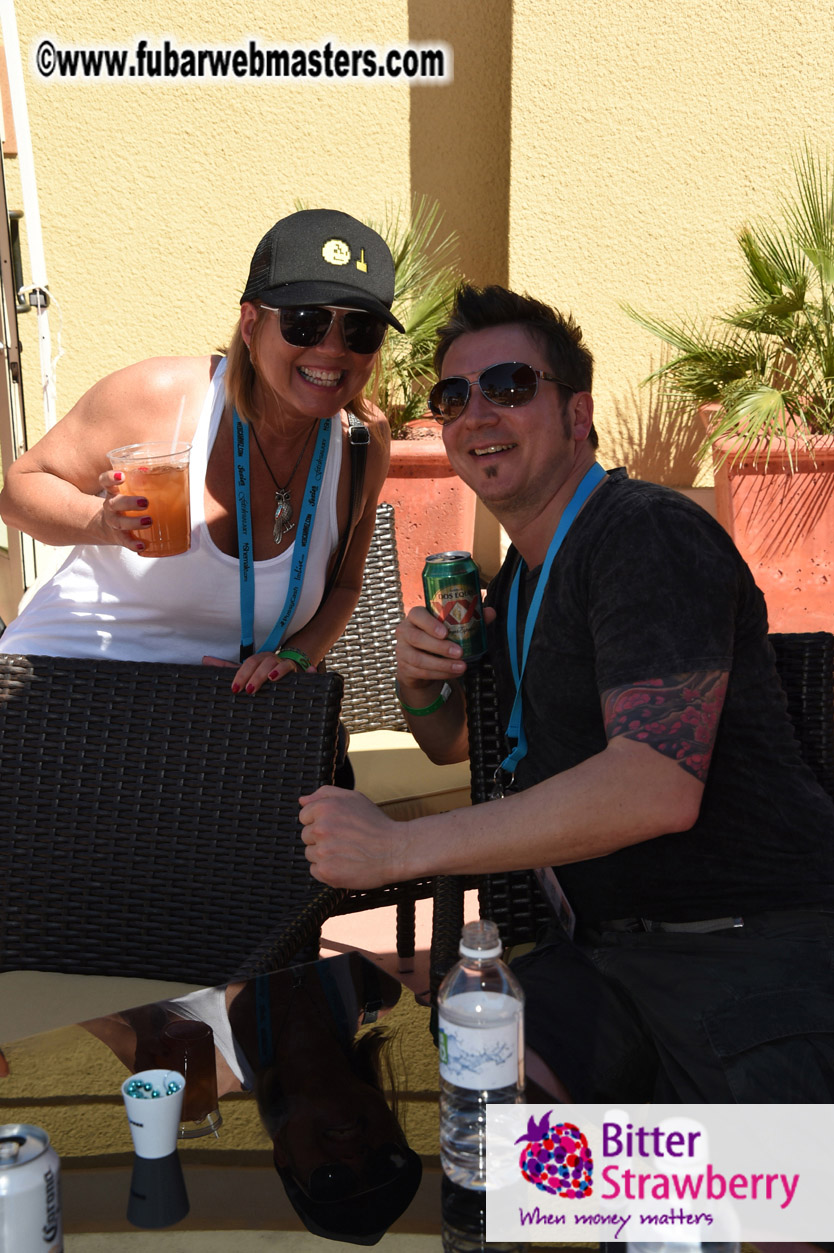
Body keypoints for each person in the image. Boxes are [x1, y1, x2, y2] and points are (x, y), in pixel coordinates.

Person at [298, 283, 834, 1104]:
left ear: (578, 415)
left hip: (745, 950)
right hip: (599, 956)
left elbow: (655, 787)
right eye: (453, 396)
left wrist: (399, 850)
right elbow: (459, 745)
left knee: (765, 1210)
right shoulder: (519, 579)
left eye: (510, 385)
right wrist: (417, 685)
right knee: (490, 1145)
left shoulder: (642, 534)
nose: (476, 412)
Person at [0, 208, 399, 695]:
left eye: (361, 330)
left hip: (205, 726)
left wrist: (296, 656)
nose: (334, 349)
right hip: (65, 684)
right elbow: (19, 491)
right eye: (305, 322)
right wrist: (99, 523)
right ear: (251, 326)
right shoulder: (162, 397)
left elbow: (345, 588)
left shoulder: (362, 443)